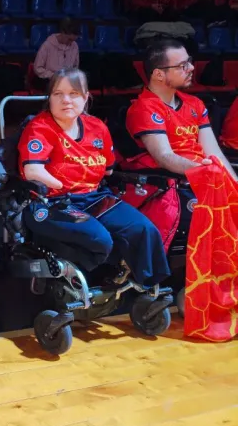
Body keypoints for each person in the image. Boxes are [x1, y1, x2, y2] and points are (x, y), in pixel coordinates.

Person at [19, 69, 171, 287]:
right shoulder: (39, 128)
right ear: (49, 98)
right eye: (58, 94)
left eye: (74, 94)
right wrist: (62, 184)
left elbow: (108, 169)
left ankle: (146, 286)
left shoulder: (97, 127)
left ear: (86, 97)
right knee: (99, 239)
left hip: (95, 197)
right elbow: (33, 171)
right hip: (52, 202)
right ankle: (88, 275)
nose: (66, 100)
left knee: (143, 230)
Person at [125, 39, 237, 182]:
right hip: (177, 183)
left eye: (189, 61)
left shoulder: (195, 103)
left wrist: (234, 184)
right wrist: (202, 170)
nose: (191, 68)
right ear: (159, 74)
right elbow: (164, 157)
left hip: (206, 175)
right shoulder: (144, 108)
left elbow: (215, 153)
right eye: (182, 65)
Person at [32, 17, 79, 90]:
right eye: (69, 39)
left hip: (67, 80)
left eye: (73, 40)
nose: (70, 43)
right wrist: (53, 76)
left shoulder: (74, 46)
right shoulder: (47, 45)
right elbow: (38, 68)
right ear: (62, 33)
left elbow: (75, 67)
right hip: (49, 80)